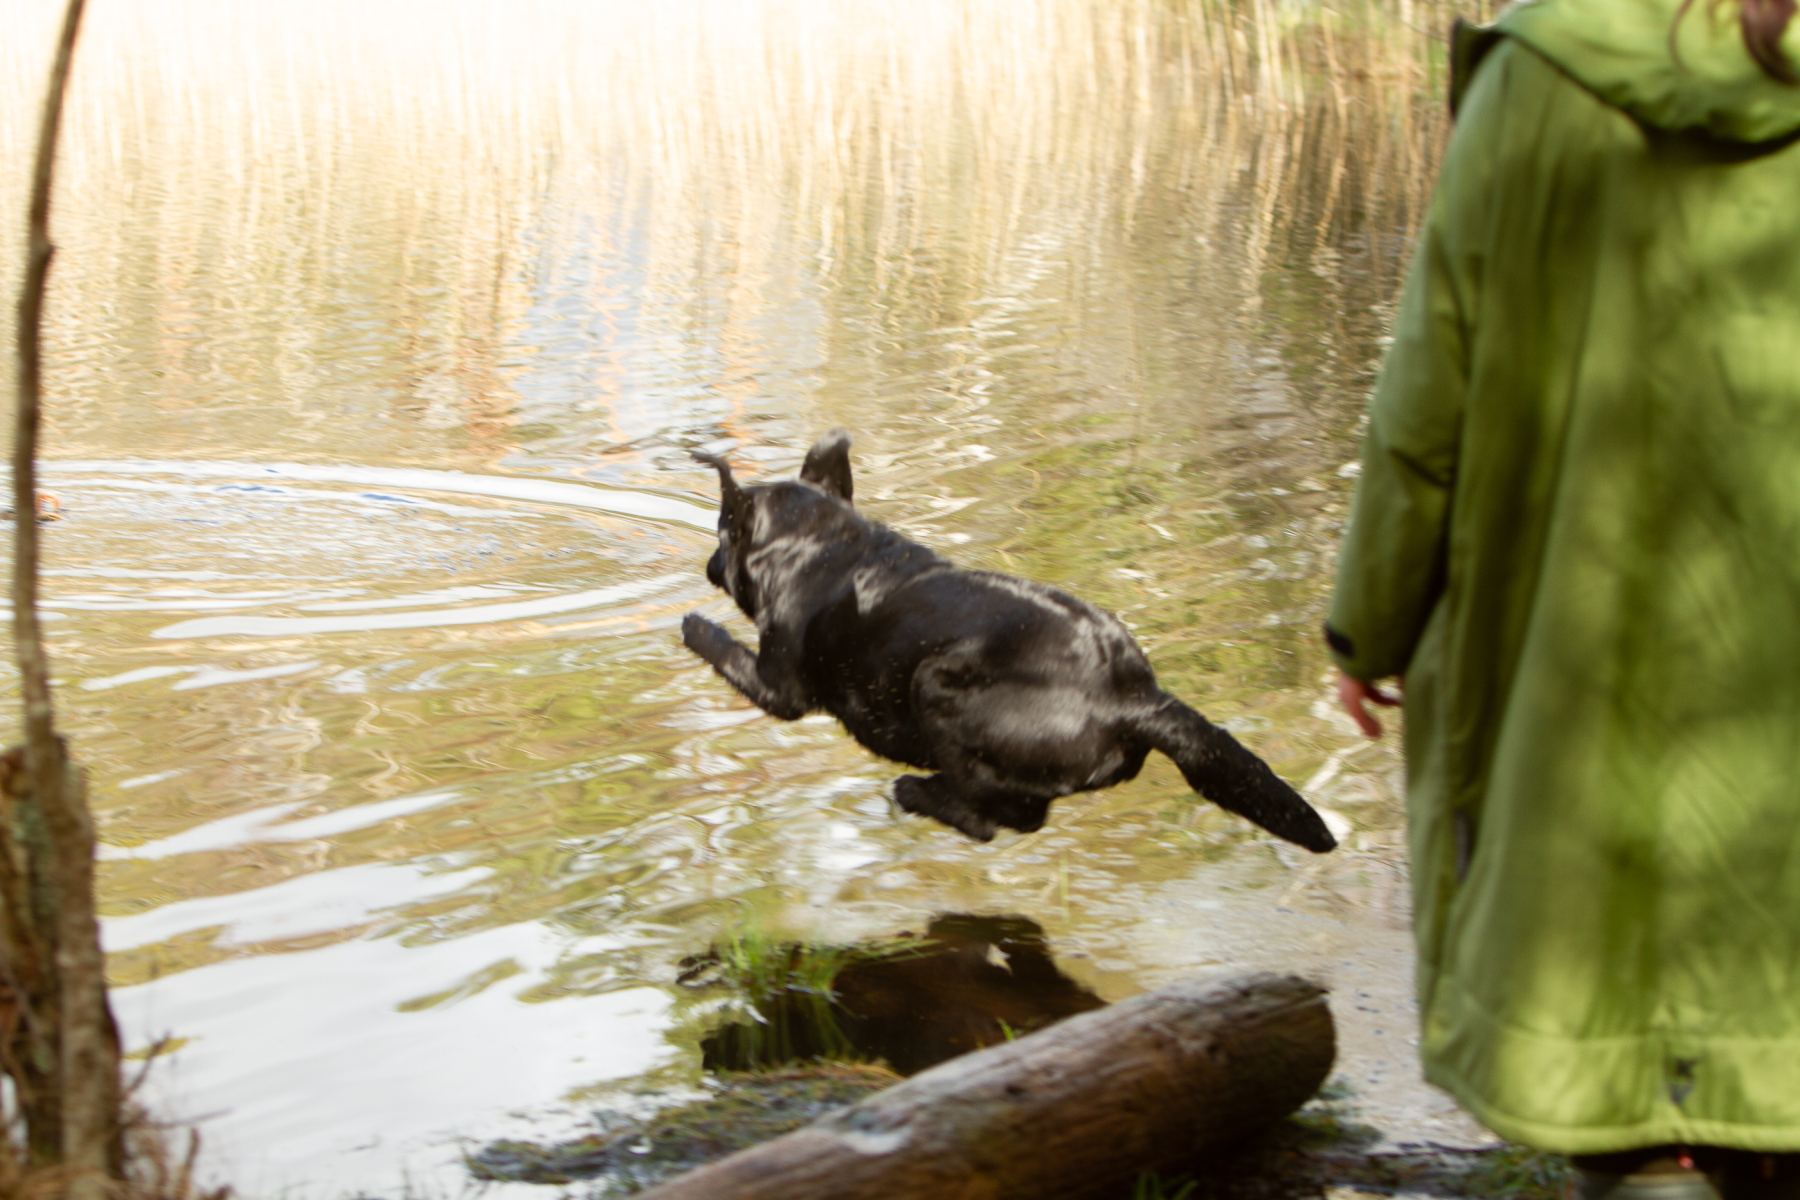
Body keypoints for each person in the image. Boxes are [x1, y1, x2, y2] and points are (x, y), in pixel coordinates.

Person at [1324, 0, 1800, 1195]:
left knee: (1618, 1033)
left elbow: (1427, 399)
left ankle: (1658, 1165)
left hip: (1580, 671)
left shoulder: (1544, 74)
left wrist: (1371, 622)